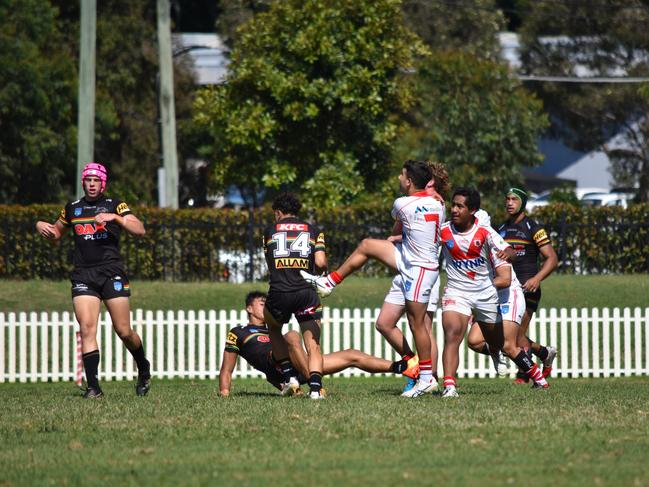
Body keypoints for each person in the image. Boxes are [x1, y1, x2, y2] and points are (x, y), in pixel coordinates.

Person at [302, 160, 445, 398]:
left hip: (419, 267)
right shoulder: (438, 204)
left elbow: (398, 226)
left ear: (409, 181)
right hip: (411, 257)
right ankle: (329, 282)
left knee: (417, 323)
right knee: (367, 245)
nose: (399, 178)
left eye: (402, 175)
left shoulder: (401, 204)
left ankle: (427, 378)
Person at [35, 162, 150, 398]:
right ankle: (94, 387)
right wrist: (40, 226)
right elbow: (56, 234)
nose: (92, 184)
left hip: (111, 272)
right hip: (83, 275)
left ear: (103, 183)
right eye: (88, 180)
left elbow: (140, 230)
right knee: (87, 328)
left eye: (96, 180)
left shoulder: (115, 205)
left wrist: (116, 218)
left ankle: (144, 367)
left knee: (124, 330)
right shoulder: (73, 208)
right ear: (83, 182)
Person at [439, 188, 548, 398]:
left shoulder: (487, 235)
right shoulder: (443, 231)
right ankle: (450, 387)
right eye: (452, 205)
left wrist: (510, 254)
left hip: (504, 292)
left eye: (459, 206)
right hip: (459, 291)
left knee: (508, 345)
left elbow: (506, 277)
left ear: (473, 212)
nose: (453, 210)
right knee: (458, 336)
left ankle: (538, 377)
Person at [218, 292, 414, 396]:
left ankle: (402, 367)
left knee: (352, 354)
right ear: (249, 308)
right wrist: (225, 392)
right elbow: (227, 369)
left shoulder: (273, 328)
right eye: (262, 303)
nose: (266, 305)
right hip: (277, 364)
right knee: (293, 334)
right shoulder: (239, 332)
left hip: (299, 363)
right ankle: (314, 384)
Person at [375, 162, 450, 395]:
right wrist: (397, 237)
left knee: (423, 326)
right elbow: (401, 227)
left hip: (424, 271)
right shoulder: (418, 202)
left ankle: (429, 376)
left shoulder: (436, 203)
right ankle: (416, 366)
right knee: (384, 323)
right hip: (407, 266)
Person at [262, 193, 328, 399]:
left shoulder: (269, 231)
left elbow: (270, 264)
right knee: (313, 343)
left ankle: (290, 378)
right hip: (305, 292)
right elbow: (320, 264)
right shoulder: (313, 230)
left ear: (278, 213)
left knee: (273, 327)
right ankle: (316, 390)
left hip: (279, 291)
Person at [498, 188, 558, 382]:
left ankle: (525, 374)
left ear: (522, 203)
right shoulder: (501, 229)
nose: (509, 203)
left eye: (514, 199)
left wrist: (536, 279)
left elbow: (552, 259)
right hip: (507, 288)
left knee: (516, 337)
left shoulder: (534, 228)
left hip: (528, 288)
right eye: (507, 199)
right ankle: (544, 353)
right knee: (511, 338)